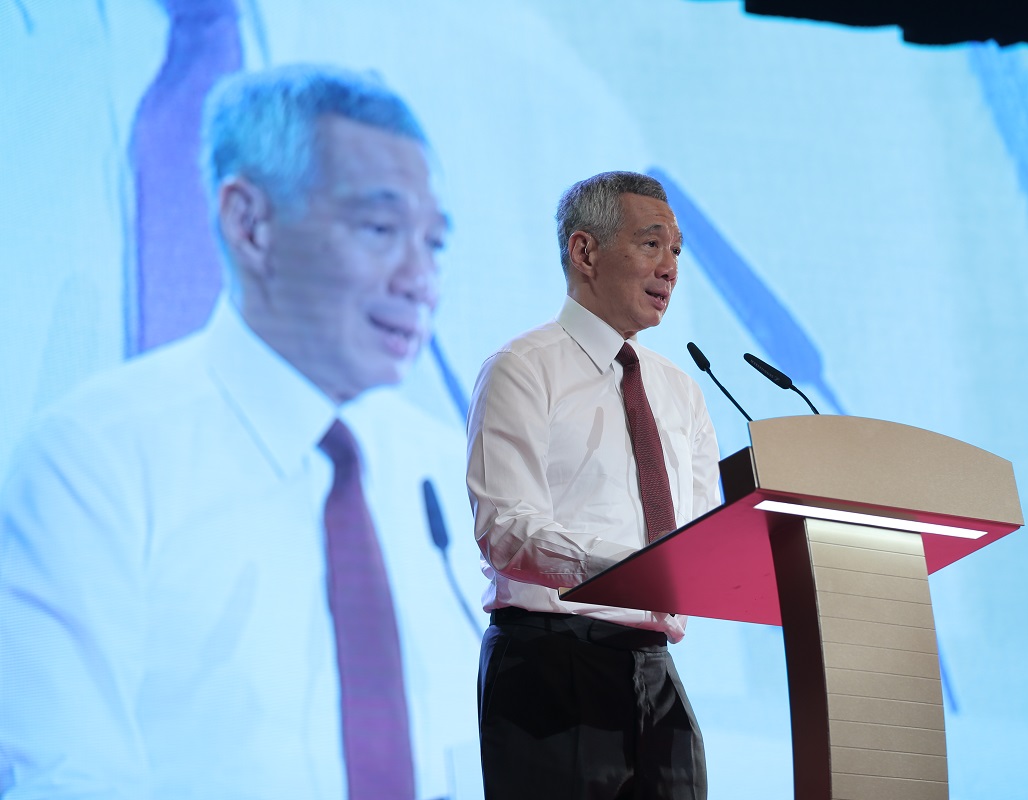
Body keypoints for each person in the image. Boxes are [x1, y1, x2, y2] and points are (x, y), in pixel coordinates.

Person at [0, 65, 484, 799]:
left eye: (436, 243)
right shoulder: (91, 461)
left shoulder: (456, 471)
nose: (420, 279)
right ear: (250, 224)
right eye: (381, 230)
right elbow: (64, 779)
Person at [466, 171, 721, 799]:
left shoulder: (681, 389)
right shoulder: (523, 370)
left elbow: (701, 534)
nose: (670, 267)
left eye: (677, 251)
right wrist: (627, 571)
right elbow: (505, 530)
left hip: (655, 666)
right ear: (585, 253)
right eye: (652, 244)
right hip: (551, 665)